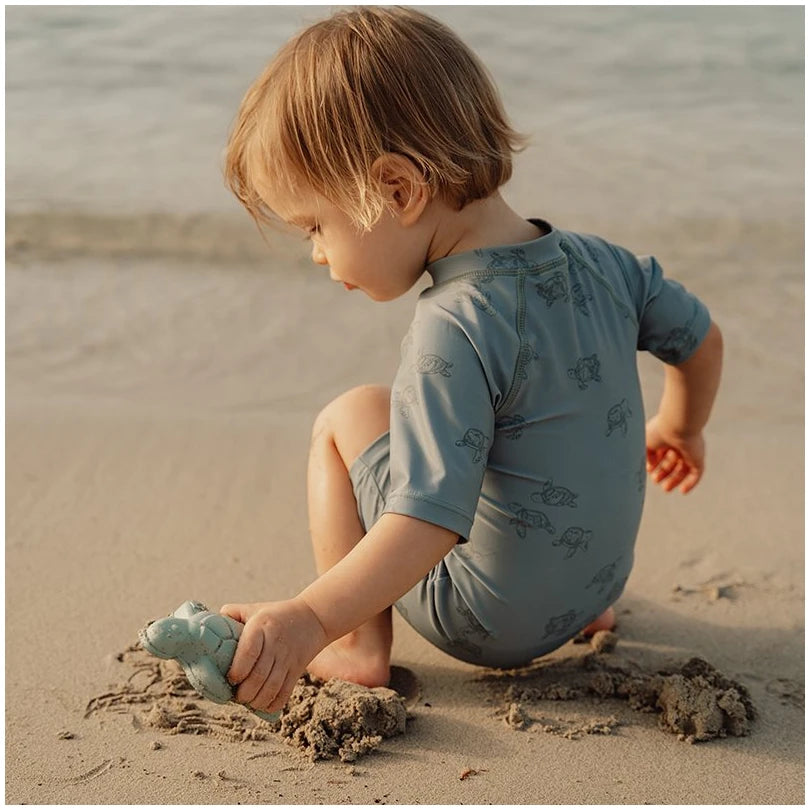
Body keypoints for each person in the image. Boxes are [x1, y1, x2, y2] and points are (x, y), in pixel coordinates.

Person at [219, 6, 723, 715]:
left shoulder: (454, 324)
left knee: (347, 416)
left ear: (397, 189)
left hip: (485, 621)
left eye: (315, 227)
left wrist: (308, 617)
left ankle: (361, 647)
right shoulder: (606, 264)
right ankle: (582, 611)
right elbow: (702, 341)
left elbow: (426, 523)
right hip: (598, 583)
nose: (319, 256)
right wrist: (680, 427)